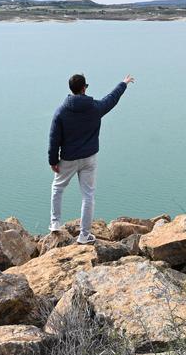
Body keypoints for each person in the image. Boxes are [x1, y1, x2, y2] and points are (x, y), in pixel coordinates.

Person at [48, 72, 135, 243]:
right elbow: (112, 99)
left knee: (57, 188)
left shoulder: (61, 111)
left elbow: (54, 138)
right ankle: (84, 235)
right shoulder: (95, 108)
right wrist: (123, 84)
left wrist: (53, 160)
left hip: (68, 158)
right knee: (88, 195)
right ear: (83, 88)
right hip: (89, 158)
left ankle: (55, 223)